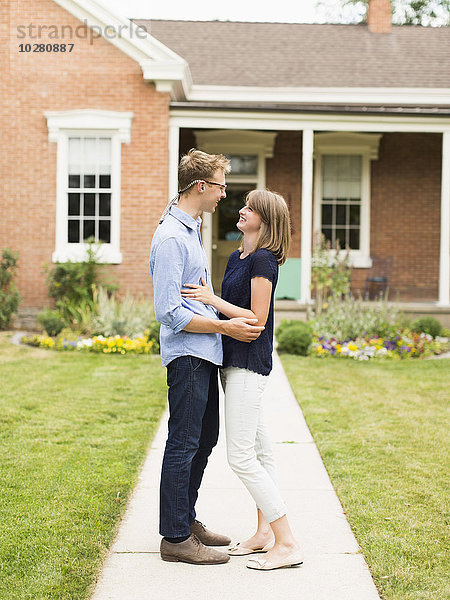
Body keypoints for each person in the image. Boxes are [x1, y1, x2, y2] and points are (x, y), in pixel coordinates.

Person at [149, 149, 264, 565]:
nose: (223, 193)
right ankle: (175, 537)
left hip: (205, 354)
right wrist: (225, 326)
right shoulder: (171, 238)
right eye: (219, 185)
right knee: (184, 441)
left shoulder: (191, 227)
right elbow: (170, 312)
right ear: (201, 186)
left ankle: (184, 519)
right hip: (189, 356)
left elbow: (195, 296)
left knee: (205, 437)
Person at [181, 189, 303, 571]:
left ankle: (287, 542)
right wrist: (213, 301)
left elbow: (256, 319)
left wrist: (211, 299)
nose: (242, 209)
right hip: (231, 362)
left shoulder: (264, 260)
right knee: (263, 452)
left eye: (250, 208)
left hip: (248, 364)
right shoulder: (238, 256)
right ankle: (264, 534)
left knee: (241, 456)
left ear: (264, 219)